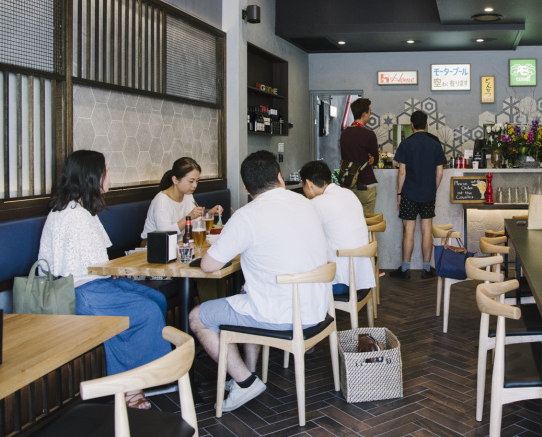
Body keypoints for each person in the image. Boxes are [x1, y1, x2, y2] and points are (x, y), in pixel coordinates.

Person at [188, 150, 329, 413]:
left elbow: (208, 266)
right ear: (280, 177)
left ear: (245, 187)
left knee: (198, 317)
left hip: (282, 314)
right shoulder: (306, 204)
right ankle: (248, 373)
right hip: (316, 308)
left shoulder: (246, 216)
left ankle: (244, 381)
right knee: (247, 292)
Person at [38, 150, 170, 410]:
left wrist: (113, 271)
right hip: (78, 292)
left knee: (156, 297)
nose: (110, 175)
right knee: (145, 310)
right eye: (106, 170)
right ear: (92, 176)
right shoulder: (72, 214)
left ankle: (143, 375)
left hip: (96, 284)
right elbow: (79, 269)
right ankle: (130, 387)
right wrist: (114, 271)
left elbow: (97, 262)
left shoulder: (83, 211)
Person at [300, 160, 375, 295]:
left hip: (341, 282)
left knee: (296, 281)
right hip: (361, 275)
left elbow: (303, 237)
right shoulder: (348, 193)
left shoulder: (317, 203)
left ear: (309, 184)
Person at [390, 110, 447, 279]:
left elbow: (402, 172)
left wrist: (399, 193)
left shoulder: (406, 144)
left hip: (409, 193)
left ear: (412, 125)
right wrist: (433, 190)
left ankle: (405, 269)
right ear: (426, 124)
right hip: (428, 194)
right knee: (427, 230)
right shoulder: (435, 144)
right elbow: (440, 172)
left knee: (408, 230)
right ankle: (426, 269)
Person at [141, 157, 222, 240]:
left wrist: (209, 213)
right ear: (175, 180)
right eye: (191, 181)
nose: (195, 185)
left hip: (180, 244)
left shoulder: (188, 195)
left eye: (197, 181)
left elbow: (196, 221)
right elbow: (165, 235)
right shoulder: (161, 201)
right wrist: (188, 217)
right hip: (155, 245)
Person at [339, 97, 379, 215]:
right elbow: (376, 159)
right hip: (365, 184)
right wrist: (372, 158)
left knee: (351, 218)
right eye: (369, 112)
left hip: (348, 185)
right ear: (364, 114)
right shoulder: (369, 134)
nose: (370, 115)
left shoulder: (344, 134)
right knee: (367, 221)